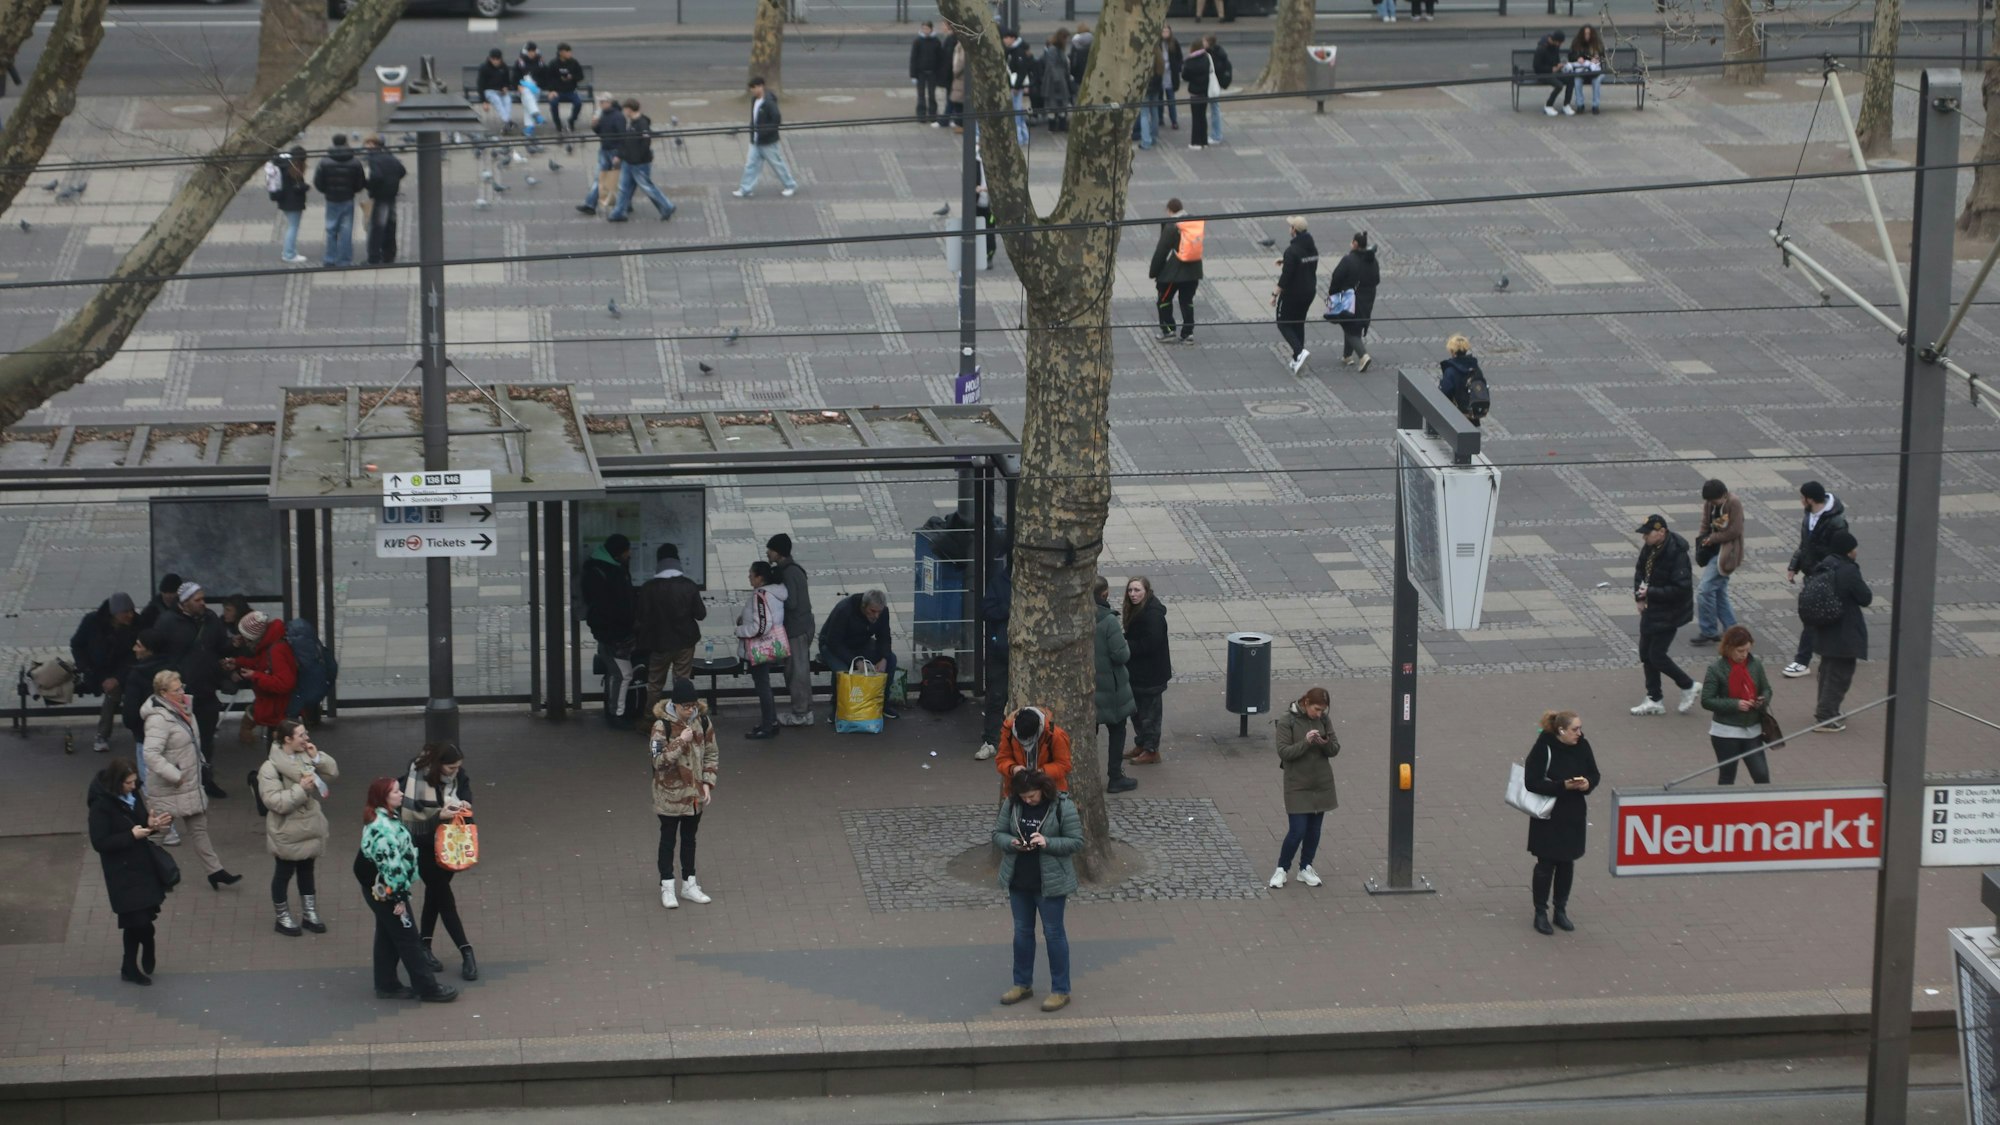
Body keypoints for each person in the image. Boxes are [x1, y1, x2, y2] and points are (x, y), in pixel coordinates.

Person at [356, 777, 457, 1002]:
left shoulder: (386, 818)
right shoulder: (383, 829)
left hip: (379, 888)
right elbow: (391, 867)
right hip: (388, 891)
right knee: (408, 937)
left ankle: (387, 985)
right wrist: (399, 898)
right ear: (384, 798)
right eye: (395, 792)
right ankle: (428, 988)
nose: (401, 795)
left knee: (387, 934)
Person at [140, 669, 241, 888]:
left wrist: (199, 763)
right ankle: (143, 873)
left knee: (199, 829)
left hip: (188, 785)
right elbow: (150, 754)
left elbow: (191, 744)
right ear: (164, 693)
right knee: (158, 834)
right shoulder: (159, 719)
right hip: (169, 787)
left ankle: (216, 871)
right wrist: (175, 775)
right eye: (177, 690)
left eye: (182, 687)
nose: (182, 692)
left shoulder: (182, 710)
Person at [994, 768, 1082, 1012]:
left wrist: (1048, 842)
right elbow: (998, 833)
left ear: (1043, 790)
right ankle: (1022, 983)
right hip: (1019, 879)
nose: (1027, 800)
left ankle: (1061, 990)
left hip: (1050, 882)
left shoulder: (1062, 806)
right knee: (1022, 933)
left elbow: (1076, 841)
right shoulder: (1012, 805)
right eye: (1023, 797)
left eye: (1031, 796)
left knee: (1054, 934)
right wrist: (1010, 842)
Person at [88, 758, 173, 985]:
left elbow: (142, 825)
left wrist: (151, 825)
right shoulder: (101, 806)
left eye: (135, 782)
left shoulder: (133, 797)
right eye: (128, 783)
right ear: (117, 783)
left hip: (143, 867)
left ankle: (143, 948)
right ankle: (130, 966)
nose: (133, 787)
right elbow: (100, 842)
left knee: (143, 918)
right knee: (134, 920)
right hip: (122, 874)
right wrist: (130, 836)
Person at [401, 742, 478, 980]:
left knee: (435, 896)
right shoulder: (416, 780)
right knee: (445, 899)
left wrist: (465, 802)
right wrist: (438, 816)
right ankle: (466, 951)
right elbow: (412, 823)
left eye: (458, 767)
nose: (455, 772)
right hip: (425, 847)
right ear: (438, 765)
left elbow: (465, 789)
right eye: (450, 768)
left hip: (451, 842)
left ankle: (424, 945)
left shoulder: (457, 774)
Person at [258, 719, 338, 938]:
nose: (306, 738)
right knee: (283, 873)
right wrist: (301, 790)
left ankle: (309, 913)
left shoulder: (305, 757)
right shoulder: (269, 769)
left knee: (306, 869)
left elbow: (332, 774)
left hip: (309, 824)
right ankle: (282, 917)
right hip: (287, 828)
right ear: (287, 739)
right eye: (301, 735)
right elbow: (275, 802)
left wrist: (317, 757)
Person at [1522, 710, 1599, 935]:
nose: (1579, 733)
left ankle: (1560, 910)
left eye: (1580, 728)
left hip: (1573, 814)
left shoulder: (1582, 745)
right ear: (1561, 731)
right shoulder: (1543, 748)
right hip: (1548, 816)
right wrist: (1561, 786)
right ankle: (1540, 912)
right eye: (1575, 729)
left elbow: (1594, 773)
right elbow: (1531, 782)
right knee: (1545, 865)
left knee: (1567, 862)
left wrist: (1587, 783)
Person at [157, 582, 229, 798]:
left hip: (206, 690)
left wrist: (230, 649)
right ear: (185, 602)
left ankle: (206, 781)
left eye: (202, 599)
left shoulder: (210, 619)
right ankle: (182, 783)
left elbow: (221, 645)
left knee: (206, 739)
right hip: (181, 694)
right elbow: (161, 655)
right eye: (197, 600)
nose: (203, 603)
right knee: (181, 741)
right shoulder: (168, 622)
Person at [650, 681, 718, 909]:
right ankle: (667, 886)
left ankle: (689, 884)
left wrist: (708, 783)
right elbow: (658, 761)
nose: (690, 710)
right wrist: (681, 741)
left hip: (695, 796)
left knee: (690, 839)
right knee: (668, 840)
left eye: (693, 706)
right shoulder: (662, 726)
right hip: (669, 795)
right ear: (675, 705)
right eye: (685, 706)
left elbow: (711, 754)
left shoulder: (704, 722)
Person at [1270, 687, 1339, 888]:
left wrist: (1324, 742)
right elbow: (1284, 752)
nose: (1319, 714)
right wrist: (1306, 742)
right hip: (1297, 785)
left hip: (1321, 783)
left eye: (1322, 710)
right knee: (1297, 830)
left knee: (1314, 830)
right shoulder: (1287, 721)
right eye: (1316, 709)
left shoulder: (1324, 720)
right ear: (1306, 702)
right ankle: (1281, 869)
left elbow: (1334, 749)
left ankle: (1305, 867)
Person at [1630, 513, 1698, 716]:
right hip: (1652, 609)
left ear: (1661, 532)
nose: (1644, 538)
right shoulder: (1651, 548)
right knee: (1645, 653)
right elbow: (1640, 571)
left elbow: (1682, 588)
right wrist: (1639, 597)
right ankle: (1654, 699)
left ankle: (1688, 685)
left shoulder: (1676, 553)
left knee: (1656, 655)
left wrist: (1650, 593)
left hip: (1670, 612)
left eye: (1647, 534)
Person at [1806, 530, 1872, 732]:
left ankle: (1827, 709)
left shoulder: (1824, 565)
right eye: (1854, 548)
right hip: (1844, 631)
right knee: (1840, 674)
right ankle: (1825, 716)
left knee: (1827, 670)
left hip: (1825, 626)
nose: (1856, 551)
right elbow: (1865, 597)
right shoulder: (1849, 571)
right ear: (1848, 550)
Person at [1783, 480, 1848, 678]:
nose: (1801, 501)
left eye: (1803, 498)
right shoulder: (1809, 514)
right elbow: (1805, 544)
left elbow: (1840, 550)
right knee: (1828, 617)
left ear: (1810, 499)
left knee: (1812, 617)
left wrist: (1825, 571)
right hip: (1812, 573)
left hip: (1826, 575)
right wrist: (1794, 565)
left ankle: (1802, 661)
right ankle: (1839, 654)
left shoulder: (1836, 522)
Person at [635, 542, 705, 711]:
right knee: (682, 681)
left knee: (654, 684)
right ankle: (683, 718)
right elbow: (700, 614)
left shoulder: (648, 588)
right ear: (677, 560)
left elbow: (641, 617)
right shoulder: (688, 585)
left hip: (658, 643)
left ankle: (651, 718)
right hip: (685, 641)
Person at [1700, 625, 1773, 784]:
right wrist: (1735, 704)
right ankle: (1724, 807)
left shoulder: (1755, 664)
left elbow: (1766, 689)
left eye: (1747, 650)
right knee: (1727, 777)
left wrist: (1763, 699)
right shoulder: (1715, 669)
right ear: (1728, 648)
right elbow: (1706, 700)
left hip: (1752, 730)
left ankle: (1763, 807)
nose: (1744, 655)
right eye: (1740, 651)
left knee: (1761, 775)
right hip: (1726, 732)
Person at [582, 533, 639, 727]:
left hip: (609, 631)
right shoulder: (609, 572)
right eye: (626, 550)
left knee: (619, 672)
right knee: (623, 674)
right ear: (618, 553)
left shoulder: (601, 568)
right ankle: (617, 714)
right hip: (614, 633)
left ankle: (616, 712)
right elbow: (612, 605)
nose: (629, 554)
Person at [72, 592, 137, 754]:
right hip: (95, 672)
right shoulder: (92, 622)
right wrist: (86, 668)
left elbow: (132, 656)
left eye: (131, 611)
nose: (130, 616)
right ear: (115, 614)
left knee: (117, 691)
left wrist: (118, 678)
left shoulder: (135, 626)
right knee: (113, 691)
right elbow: (77, 645)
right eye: (126, 612)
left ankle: (105, 734)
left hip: (122, 674)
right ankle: (103, 735)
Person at [819, 589, 900, 718]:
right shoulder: (844, 610)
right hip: (832, 645)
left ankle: (883, 704)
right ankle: (837, 708)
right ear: (863, 606)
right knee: (843, 670)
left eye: (879, 611)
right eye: (873, 611)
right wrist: (856, 661)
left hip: (861, 643)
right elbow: (833, 642)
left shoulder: (882, 611)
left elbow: (884, 637)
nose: (876, 616)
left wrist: (884, 657)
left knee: (891, 659)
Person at [1092, 577, 1139, 794]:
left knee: (1088, 731)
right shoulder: (1108, 621)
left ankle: (1086, 773)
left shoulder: (1077, 616)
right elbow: (1121, 655)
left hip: (1088, 688)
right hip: (1110, 689)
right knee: (1117, 729)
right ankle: (1115, 776)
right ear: (1105, 594)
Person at [766, 535, 818, 727]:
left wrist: (772, 599)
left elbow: (792, 602)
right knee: (799, 670)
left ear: (778, 552)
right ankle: (806, 710)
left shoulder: (787, 573)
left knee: (796, 672)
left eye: (770, 549)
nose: (767, 552)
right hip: (803, 626)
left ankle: (800, 713)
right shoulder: (795, 569)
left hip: (796, 629)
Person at [735, 561, 789, 740]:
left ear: (760, 577)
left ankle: (767, 725)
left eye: (751, 574)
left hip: (759, 648)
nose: (749, 577)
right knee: (764, 684)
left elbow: (761, 626)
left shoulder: (761, 595)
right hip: (770, 645)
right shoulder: (775, 593)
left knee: (762, 686)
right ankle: (771, 721)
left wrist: (740, 631)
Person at [1123, 576, 1172, 765]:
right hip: (1139, 673)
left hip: (1151, 675)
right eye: (1130, 591)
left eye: (1137, 590)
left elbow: (1150, 644)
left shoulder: (1152, 615)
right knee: (1137, 712)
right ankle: (1142, 743)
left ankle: (1151, 749)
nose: (1133, 595)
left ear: (1146, 591)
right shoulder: (1139, 610)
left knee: (1150, 714)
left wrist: (1127, 645)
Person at [1691, 478, 1746, 645]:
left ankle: (1709, 630)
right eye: (1709, 501)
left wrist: (1712, 538)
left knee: (1704, 590)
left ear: (1724, 495)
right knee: (1719, 591)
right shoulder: (1710, 503)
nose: (1712, 504)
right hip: (1713, 551)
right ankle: (1731, 629)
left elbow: (1734, 531)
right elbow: (1705, 523)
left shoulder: (1734, 503)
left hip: (1726, 554)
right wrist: (1702, 539)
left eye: (1714, 501)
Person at [609, 98, 677, 222]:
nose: (623, 112)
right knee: (624, 187)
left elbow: (646, 143)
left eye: (624, 109)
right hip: (629, 161)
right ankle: (619, 212)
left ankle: (667, 206)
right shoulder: (631, 122)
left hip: (639, 163)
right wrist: (620, 155)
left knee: (646, 187)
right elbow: (625, 141)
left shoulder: (641, 123)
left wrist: (636, 158)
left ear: (629, 109)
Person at [235, 612, 297, 747]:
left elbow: (284, 684)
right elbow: (262, 663)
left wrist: (255, 675)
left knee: (279, 755)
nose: (242, 641)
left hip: (280, 713)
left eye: (245, 637)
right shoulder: (270, 643)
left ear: (253, 638)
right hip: (277, 712)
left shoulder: (275, 650)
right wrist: (238, 662)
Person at [733, 77, 799, 199]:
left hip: (767, 142)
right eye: (751, 88)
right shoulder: (754, 100)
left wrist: (764, 132)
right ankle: (745, 189)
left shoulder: (769, 103)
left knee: (777, 164)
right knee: (750, 165)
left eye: (754, 88)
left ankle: (790, 185)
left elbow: (776, 119)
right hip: (756, 141)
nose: (752, 91)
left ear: (760, 87)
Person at [1149, 198, 1204, 344]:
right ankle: (1188, 333)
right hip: (1194, 270)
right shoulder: (1194, 222)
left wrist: (1154, 272)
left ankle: (1168, 330)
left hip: (1174, 273)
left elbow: (1161, 251)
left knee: (1163, 299)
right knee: (1187, 301)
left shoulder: (1172, 226)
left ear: (1169, 210)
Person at [1324, 232, 1381, 371]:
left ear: (1355, 244)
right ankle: (1347, 356)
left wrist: (1333, 294)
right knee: (1353, 324)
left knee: (1350, 329)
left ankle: (1363, 356)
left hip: (1351, 299)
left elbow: (1336, 277)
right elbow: (1377, 280)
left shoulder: (1349, 260)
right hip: (1368, 298)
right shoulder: (1372, 260)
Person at [1272, 216, 1319, 374]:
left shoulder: (1292, 251)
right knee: (1298, 323)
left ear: (1294, 230)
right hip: (1309, 292)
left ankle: (1300, 352)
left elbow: (1286, 277)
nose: (1289, 228)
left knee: (1283, 323)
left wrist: (1274, 294)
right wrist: (1286, 260)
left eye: (1290, 226)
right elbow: (1302, 263)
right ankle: (1296, 358)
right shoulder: (1312, 249)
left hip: (1293, 294)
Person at [312, 134, 367, 269]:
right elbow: (360, 183)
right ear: (346, 142)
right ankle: (344, 260)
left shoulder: (324, 162)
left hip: (331, 199)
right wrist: (353, 191)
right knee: (346, 230)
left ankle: (329, 258)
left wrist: (326, 190)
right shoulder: (355, 162)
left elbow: (318, 182)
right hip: (347, 199)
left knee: (331, 230)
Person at [978, 545, 1012, 761]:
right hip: (1001, 649)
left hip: (1010, 648)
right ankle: (992, 739)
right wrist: (1009, 610)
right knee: (997, 696)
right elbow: (986, 611)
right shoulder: (1000, 582)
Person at [995, 705, 1072, 796]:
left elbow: (1064, 765)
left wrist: (1042, 772)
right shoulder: (1008, 731)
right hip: (1019, 791)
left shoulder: (1055, 735)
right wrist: (1013, 768)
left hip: (1050, 791)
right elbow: (1002, 760)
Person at [122, 629, 173, 759]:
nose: (134, 648)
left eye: (139, 645)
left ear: (150, 650)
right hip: (172, 734)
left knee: (149, 776)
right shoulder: (174, 670)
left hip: (146, 736)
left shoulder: (137, 675)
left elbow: (130, 715)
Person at [360, 136, 405, 265]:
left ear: (374, 145)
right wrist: (393, 180)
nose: (366, 147)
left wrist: (368, 185)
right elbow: (402, 171)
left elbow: (377, 176)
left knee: (377, 227)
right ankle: (389, 255)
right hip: (391, 195)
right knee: (391, 226)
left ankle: (374, 257)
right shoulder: (390, 156)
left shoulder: (374, 159)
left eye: (368, 144)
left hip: (380, 196)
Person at [578, 93, 624, 216]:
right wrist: (595, 126)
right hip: (604, 150)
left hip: (614, 151)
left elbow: (623, 137)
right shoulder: (603, 115)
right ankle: (590, 204)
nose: (600, 105)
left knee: (620, 180)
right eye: (600, 102)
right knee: (599, 178)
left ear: (609, 102)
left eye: (602, 102)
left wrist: (619, 155)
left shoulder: (618, 117)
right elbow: (601, 133)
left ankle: (625, 204)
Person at [268, 147, 309, 264]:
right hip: (293, 202)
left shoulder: (283, 165)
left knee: (290, 227)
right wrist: (305, 187)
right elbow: (297, 187)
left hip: (284, 200)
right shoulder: (293, 169)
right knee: (293, 228)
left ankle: (289, 251)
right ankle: (289, 254)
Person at [1437, 333, 1487, 424]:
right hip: (1472, 414)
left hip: (1456, 416)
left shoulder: (1451, 371)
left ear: (1452, 351)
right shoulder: (1475, 368)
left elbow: (1444, 393)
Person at [544, 44, 587, 136]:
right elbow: (548, 79)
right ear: (561, 53)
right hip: (557, 92)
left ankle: (571, 121)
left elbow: (581, 76)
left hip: (570, 91)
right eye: (568, 52)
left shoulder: (574, 62)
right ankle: (558, 124)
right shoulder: (553, 63)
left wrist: (572, 77)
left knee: (578, 103)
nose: (570, 53)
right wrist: (551, 91)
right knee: (553, 103)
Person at [1039, 30, 1073, 133]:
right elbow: (1052, 66)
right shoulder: (1053, 50)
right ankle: (1054, 125)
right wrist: (1058, 80)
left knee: (1061, 103)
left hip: (1059, 79)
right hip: (1054, 81)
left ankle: (1060, 124)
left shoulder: (1058, 50)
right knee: (1053, 104)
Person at [1569, 25, 1607, 114]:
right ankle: (1580, 105)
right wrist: (1577, 58)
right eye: (1585, 34)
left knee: (1596, 81)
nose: (1587, 36)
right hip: (1582, 70)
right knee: (1577, 80)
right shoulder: (1577, 43)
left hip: (1595, 71)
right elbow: (1571, 56)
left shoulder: (1597, 44)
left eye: (1589, 34)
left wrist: (1597, 58)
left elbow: (1603, 57)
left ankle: (1595, 105)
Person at [1181, 41, 1213, 149]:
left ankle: (1196, 142)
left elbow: (1185, 76)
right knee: (1202, 117)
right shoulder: (1206, 58)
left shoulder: (1190, 62)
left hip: (1195, 92)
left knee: (1196, 117)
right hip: (1204, 91)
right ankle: (1204, 141)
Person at [910, 22, 945, 121]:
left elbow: (940, 58)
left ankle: (932, 114)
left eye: (927, 29)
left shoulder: (936, 41)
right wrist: (913, 75)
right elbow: (913, 59)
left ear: (931, 29)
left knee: (932, 94)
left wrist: (939, 72)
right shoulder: (917, 41)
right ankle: (921, 115)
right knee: (921, 95)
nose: (925, 31)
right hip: (920, 73)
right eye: (923, 29)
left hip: (932, 72)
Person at [1533, 31, 1572, 116]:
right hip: (1543, 74)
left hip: (1553, 72)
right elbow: (1537, 67)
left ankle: (1566, 105)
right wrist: (1551, 69)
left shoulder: (1555, 46)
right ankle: (1548, 105)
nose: (1560, 45)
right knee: (1559, 85)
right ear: (1555, 40)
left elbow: (1556, 60)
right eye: (1560, 43)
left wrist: (1560, 65)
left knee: (1570, 79)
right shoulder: (1541, 48)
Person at [476, 47, 515, 133]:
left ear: (500, 59)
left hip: (501, 91)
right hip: (489, 91)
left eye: (497, 59)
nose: (495, 61)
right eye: (493, 59)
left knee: (508, 100)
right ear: (490, 58)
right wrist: (484, 101)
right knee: (497, 101)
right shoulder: (484, 68)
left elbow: (507, 82)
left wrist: (506, 87)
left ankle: (507, 123)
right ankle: (508, 121)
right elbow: (480, 85)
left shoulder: (504, 67)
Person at [1201, 35, 1230, 144]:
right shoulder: (1218, 52)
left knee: (1214, 110)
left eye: (1204, 41)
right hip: (1215, 84)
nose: (1202, 43)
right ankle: (1216, 134)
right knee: (1214, 109)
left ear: (1208, 42)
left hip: (1211, 85)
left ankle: (1216, 135)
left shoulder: (1211, 54)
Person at [1159, 27, 1183, 132]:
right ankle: (1160, 119)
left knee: (1171, 99)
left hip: (1170, 75)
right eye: (1163, 31)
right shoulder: (1157, 44)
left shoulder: (1174, 43)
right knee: (1159, 99)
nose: (1165, 33)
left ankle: (1174, 120)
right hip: (1159, 75)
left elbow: (1179, 58)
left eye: (1167, 31)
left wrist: (1177, 68)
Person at [946, 38, 967, 133]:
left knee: (958, 101)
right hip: (960, 79)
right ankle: (959, 123)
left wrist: (955, 72)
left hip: (960, 78)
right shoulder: (960, 44)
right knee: (957, 101)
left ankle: (961, 124)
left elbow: (961, 62)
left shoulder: (962, 46)